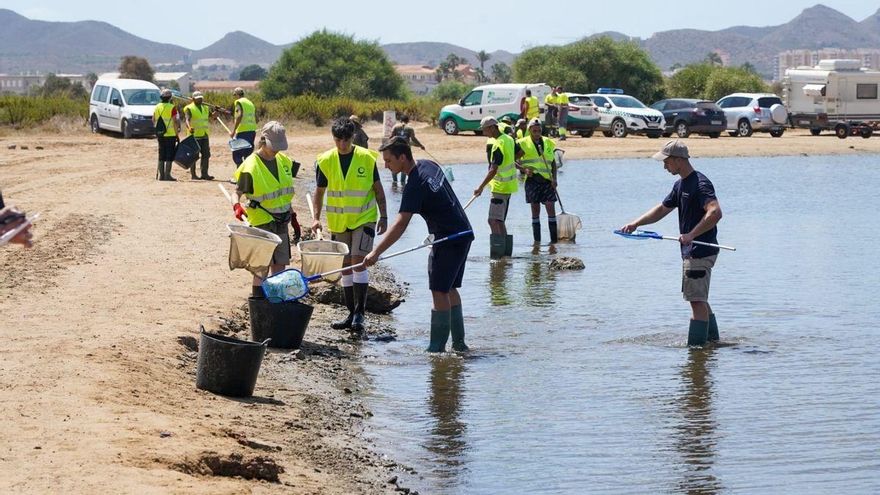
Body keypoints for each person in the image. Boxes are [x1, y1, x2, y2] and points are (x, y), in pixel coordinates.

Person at [365, 136, 475, 352]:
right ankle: (459, 345)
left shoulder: (415, 184)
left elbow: (400, 225)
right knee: (449, 288)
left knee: (439, 291)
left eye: (388, 161)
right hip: (464, 233)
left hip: (448, 240)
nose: (386, 166)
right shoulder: (428, 164)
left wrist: (375, 253)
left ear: (403, 157)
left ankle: (437, 349)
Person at [619, 140, 723, 346]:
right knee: (700, 299)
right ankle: (713, 343)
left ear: (678, 160)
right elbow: (662, 209)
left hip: (700, 251)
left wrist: (692, 234)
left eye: (666, 162)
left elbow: (715, 212)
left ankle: (696, 352)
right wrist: (635, 223)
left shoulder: (700, 183)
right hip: (692, 251)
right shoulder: (680, 185)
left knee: (696, 302)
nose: (664, 166)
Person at [312, 118, 388, 335]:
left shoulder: (366, 158)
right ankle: (349, 313)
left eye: (346, 140)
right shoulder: (325, 160)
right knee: (345, 267)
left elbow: (378, 190)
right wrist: (316, 218)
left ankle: (360, 314)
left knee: (358, 262)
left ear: (353, 137)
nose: (342, 144)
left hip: (364, 218)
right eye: (338, 140)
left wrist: (384, 217)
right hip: (339, 222)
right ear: (333, 138)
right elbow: (319, 193)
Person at [232, 121, 299, 297]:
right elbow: (236, 192)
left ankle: (276, 302)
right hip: (262, 222)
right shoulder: (251, 165)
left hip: (282, 221)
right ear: (264, 141)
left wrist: (293, 217)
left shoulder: (284, 162)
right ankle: (258, 303)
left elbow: (283, 194)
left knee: (280, 265)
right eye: (273, 146)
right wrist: (236, 206)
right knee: (261, 267)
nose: (276, 150)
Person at [472, 116, 522, 259]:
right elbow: (518, 154)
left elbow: (493, 170)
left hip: (500, 188)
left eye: (484, 129)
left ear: (492, 127)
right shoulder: (509, 139)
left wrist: (480, 187)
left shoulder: (498, 144)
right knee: (499, 220)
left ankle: (497, 258)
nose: (483, 132)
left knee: (493, 220)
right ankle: (506, 255)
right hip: (508, 187)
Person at [517, 118, 559, 244]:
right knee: (535, 211)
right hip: (532, 180)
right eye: (534, 130)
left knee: (551, 208)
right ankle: (537, 242)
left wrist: (554, 179)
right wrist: (524, 170)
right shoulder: (522, 143)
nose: (537, 132)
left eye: (539, 130)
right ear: (529, 130)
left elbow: (553, 164)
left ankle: (553, 242)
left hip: (547, 181)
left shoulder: (548, 142)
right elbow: (512, 160)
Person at [183, 91, 217, 180]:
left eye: (201, 98)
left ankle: (204, 174)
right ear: (193, 99)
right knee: (194, 156)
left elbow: (212, 117)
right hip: (194, 135)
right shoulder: (189, 108)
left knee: (206, 155)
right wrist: (189, 127)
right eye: (198, 98)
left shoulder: (205, 108)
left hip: (204, 134)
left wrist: (216, 112)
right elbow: (187, 119)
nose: (200, 99)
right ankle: (193, 175)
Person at [152, 88, 181, 181]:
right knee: (169, 154)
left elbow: (153, 119)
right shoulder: (172, 107)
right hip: (170, 135)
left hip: (160, 135)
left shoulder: (157, 106)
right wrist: (177, 134)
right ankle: (167, 175)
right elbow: (175, 122)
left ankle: (161, 176)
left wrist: (158, 129)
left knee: (161, 154)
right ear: (170, 97)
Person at [390, 114, 425, 186]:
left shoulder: (395, 127)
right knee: (404, 166)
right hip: (406, 150)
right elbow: (413, 139)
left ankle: (395, 183)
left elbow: (391, 138)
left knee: (394, 164)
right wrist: (420, 145)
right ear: (408, 121)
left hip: (396, 150)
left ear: (400, 120)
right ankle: (403, 183)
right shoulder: (410, 128)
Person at [230, 87, 257, 166]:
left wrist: (233, 131)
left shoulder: (238, 102)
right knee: (247, 154)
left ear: (237, 95)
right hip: (252, 131)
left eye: (235, 95)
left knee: (237, 154)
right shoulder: (250, 103)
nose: (234, 97)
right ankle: (247, 174)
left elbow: (239, 116)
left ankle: (240, 174)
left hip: (243, 131)